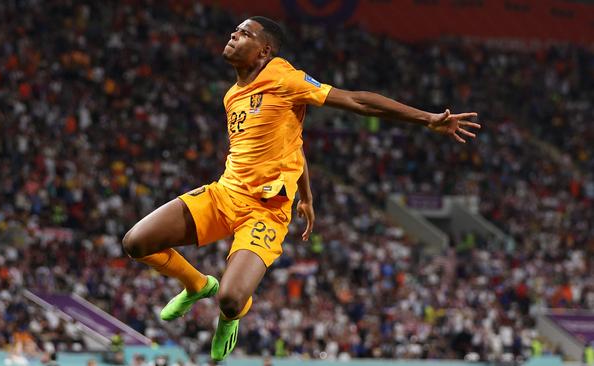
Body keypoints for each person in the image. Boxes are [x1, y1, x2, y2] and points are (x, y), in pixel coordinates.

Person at [122, 16, 480, 361]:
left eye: (244, 33)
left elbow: (355, 101)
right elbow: (293, 143)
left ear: (264, 51)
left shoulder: (283, 76)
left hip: (265, 210)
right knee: (136, 242)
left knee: (230, 300)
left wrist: (427, 118)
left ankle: (231, 316)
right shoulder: (232, 95)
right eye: (234, 30)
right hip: (224, 194)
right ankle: (197, 284)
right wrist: (307, 195)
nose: (233, 35)